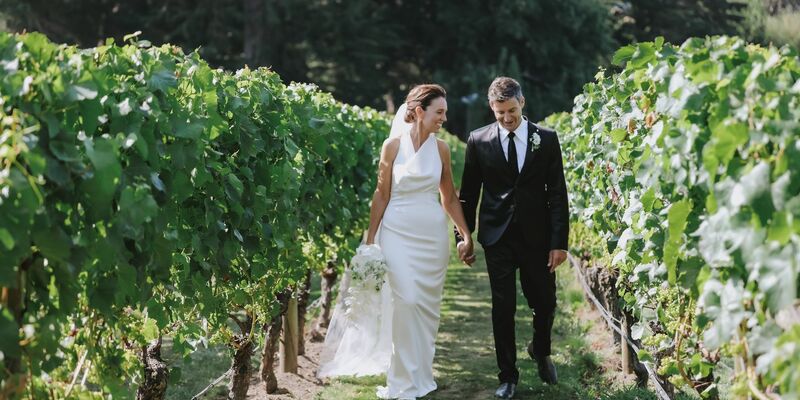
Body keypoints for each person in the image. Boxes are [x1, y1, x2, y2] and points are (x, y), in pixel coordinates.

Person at [318, 84, 474, 400]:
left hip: (432, 237)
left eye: (444, 112)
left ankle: (420, 375)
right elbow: (381, 194)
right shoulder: (392, 147)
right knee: (407, 302)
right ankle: (401, 381)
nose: (444, 118)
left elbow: (449, 197)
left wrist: (465, 234)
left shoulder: (441, 149)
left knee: (426, 310)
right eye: (439, 112)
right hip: (397, 234)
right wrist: (371, 239)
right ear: (419, 111)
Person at [456, 77, 569, 399]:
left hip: (538, 236)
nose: (507, 118)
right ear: (492, 108)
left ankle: (541, 349)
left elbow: (558, 193)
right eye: (500, 112)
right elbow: (468, 195)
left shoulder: (546, 139)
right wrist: (463, 236)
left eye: (512, 111)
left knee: (544, 302)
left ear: (523, 102)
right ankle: (508, 376)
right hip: (497, 236)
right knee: (502, 307)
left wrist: (559, 242)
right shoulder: (478, 140)